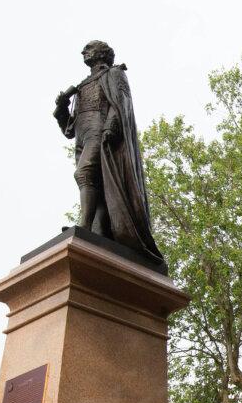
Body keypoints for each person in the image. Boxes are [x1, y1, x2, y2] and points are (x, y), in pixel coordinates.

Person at [53, 41, 164, 265]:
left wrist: (111, 126)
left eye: (89, 48)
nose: (84, 52)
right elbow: (68, 128)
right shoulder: (82, 85)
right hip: (82, 135)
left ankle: (84, 227)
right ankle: (98, 230)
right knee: (96, 183)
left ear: (102, 53)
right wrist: (61, 108)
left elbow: (120, 102)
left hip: (98, 128)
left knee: (84, 173)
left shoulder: (114, 73)